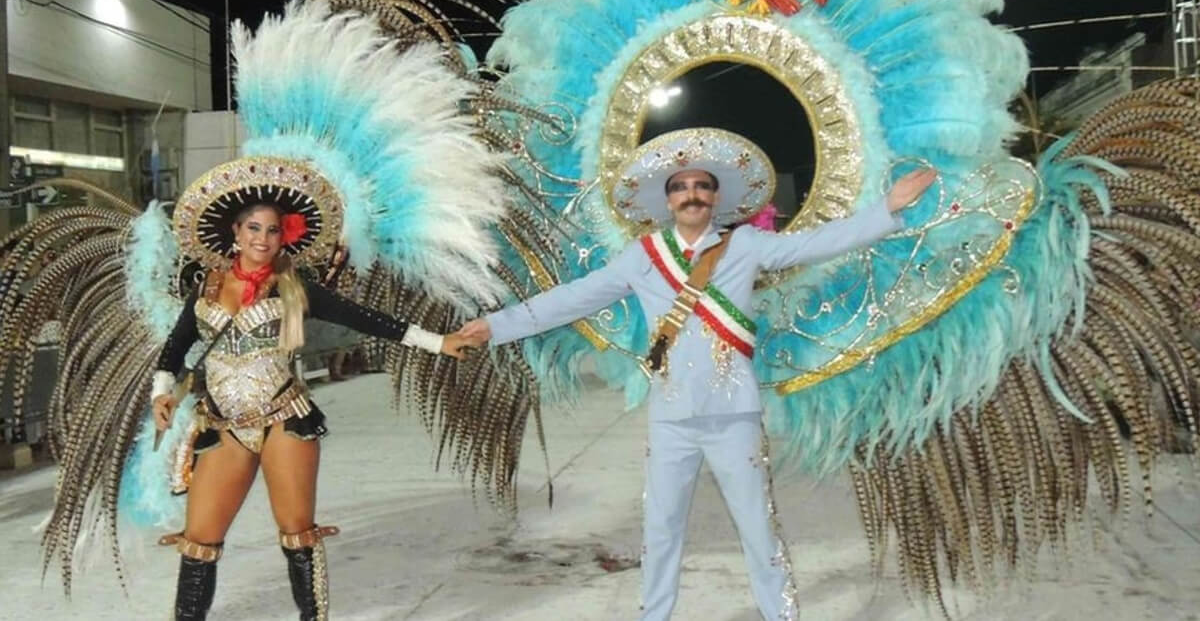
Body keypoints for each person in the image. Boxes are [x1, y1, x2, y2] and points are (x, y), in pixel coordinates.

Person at [459, 127, 936, 620]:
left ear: (716, 197)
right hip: (671, 416)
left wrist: (887, 208)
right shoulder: (644, 256)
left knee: (757, 527)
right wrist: (495, 327)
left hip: (734, 414)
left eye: (702, 186)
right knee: (661, 530)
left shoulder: (745, 245)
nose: (692, 194)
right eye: (681, 187)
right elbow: (571, 298)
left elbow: (815, 244)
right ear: (667, 200)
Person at [153, 178, 472, 620]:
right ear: (236, 232)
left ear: (283, 237)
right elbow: (174, 348)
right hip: (225, 425)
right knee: (199, 540)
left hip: (284, 418)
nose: (263, 239)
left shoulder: (294, 287)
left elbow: (366, 319)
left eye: (273, 230)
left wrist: (438, 342)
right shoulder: (206, 288)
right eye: (254, 228)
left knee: (297, 532)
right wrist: (162, 394)